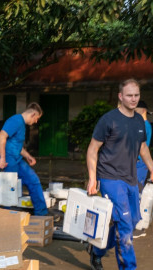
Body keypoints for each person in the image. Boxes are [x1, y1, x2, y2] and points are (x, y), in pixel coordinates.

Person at [86, 79, 153, 270]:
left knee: (131, 222)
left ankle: (97, 249)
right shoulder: (108, 120)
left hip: (130, 178)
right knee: (124, 225)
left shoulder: (139, 121)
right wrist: (93, 178)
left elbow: (142, 148)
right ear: (120, 96)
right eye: (129, 95)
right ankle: (128, 267)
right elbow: (92, 150)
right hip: (110, 179)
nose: (133, 99)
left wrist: (152, 167)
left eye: (137, 95)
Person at [0, 102, 48, 216]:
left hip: (16, 159)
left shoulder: (22, 124)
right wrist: (2, 159)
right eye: (37, 118)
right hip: (7, 160)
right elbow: (1, 136)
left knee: (34, 180)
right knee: (10, 188)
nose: (36, 122)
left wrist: (28, 156)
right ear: (33, 114)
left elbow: (16, 145)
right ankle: (7, 218)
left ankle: (41, 214)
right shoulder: (15, 121)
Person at [135, 100, 152, 191]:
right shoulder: (140, 124)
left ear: (143, 110)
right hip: (136, 162)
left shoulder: (145, 125)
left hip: (140, 162)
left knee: (136, 189)